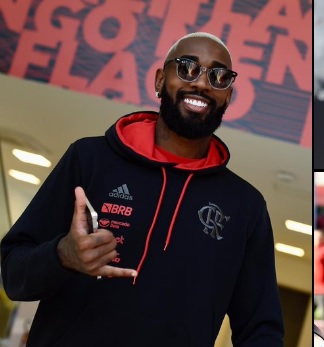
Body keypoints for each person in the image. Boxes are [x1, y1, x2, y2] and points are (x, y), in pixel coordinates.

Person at [0, 32, 283, 346]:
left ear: (228, 97)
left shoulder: (245, 206)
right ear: (160, 80)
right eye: (188, 68)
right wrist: (62, 255)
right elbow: (13, 274)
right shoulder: (90, 159)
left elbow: (261, 329)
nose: (202, 84)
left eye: (218, 76)